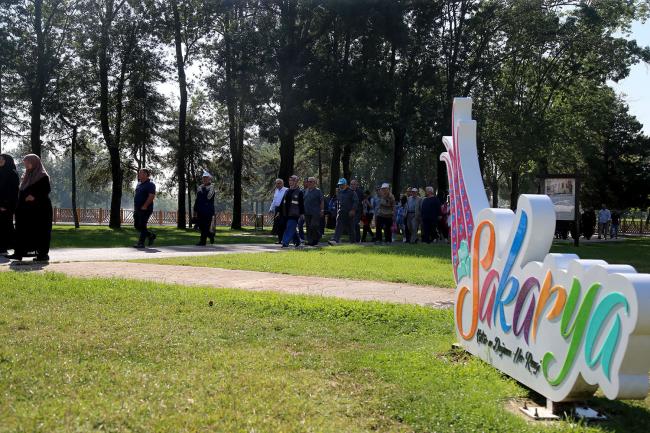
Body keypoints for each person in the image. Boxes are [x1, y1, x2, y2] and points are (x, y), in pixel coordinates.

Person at [6, 154, 52, 262]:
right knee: (21, 231)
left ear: (34, 162)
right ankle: (19, 253)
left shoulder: (42, 176)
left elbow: (46, 190)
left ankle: (42, 255)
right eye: (25, 163)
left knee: (40, 232)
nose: (26, 165)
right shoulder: (26, 176)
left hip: (39, 210)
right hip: (25, 210)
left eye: (28, 162)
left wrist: (34, 196)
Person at [328, 178, 358, 245]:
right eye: (339, 184)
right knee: (338, 226)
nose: (340, 186)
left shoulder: (351, 192)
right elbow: (338, 202)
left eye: (342, 184)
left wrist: (353, 210)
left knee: (351, 228)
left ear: (346, 185)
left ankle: (353, 242)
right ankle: (335, 240)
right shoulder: (339, 192)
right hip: (341, 212)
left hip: (349, 212)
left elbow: (355, 202)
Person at [0, 154, 19, 255]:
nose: (0, 161)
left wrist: (5, 204)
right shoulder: (1, 171)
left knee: (5, 226)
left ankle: (4, 248)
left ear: (6, 160)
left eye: (1, 159)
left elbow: (12, 191)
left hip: (6, 204)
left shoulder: (12, 173)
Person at [133, 168, 156, 248]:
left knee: (142, 225)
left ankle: (141, 243)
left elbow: (151, 196)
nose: (139, 174)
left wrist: (145, 206)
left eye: (141, 173)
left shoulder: (150, 184)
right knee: (137, 225)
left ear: (146, 174)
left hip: (145, 208)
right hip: (137, 208)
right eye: (139, 173)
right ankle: (150, 235)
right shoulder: (139, 184)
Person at [280, 175, 304, 248]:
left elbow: (301, 204)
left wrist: (302, 214)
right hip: (285, 213)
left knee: (289, 227)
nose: (291, 182)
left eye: (293, 180)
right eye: (290, 180)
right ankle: (297, 241)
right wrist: (279, 211)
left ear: (296, 182)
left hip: (294, 214)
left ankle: (285, 242)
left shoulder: (300, 192)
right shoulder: (287, 191)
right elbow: (282, 202)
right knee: (291, 228)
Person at [193, 171, 216, 246]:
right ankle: (210, 235)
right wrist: (195, 210)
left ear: (209, 179)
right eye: (204, 178)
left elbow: (208, 197)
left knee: (206, 226)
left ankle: (202, 242)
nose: (205, 179)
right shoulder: (200, 187)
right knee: (200, 226)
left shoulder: (212, 187)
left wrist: (202, 191)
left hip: (208, 211)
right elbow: (197, 199)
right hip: (200, 210)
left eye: (206, 178)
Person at [303, 176, 324, 246]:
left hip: (315, 212)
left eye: (311, 182)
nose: (309, 183)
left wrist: (322, 210)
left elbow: (322, 201)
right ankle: (310, 241)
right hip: (307, 212)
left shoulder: (318, 191)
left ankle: (317, 237)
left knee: (313, 226)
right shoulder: (306, 191)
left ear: (314, 183)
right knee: (308, 227)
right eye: (308, 181)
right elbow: (303, 201)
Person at [269, 178, 288, 244]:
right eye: (277, 183)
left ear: (282, 183)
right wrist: (271, 209)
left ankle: (285, 240)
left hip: (284, 209)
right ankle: (280, 240)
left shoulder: (286, 190)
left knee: (283, 224)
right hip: (277, 209)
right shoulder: (276, 191)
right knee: (278, 225)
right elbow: (274, 201)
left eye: (279, 183)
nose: (278, 184)